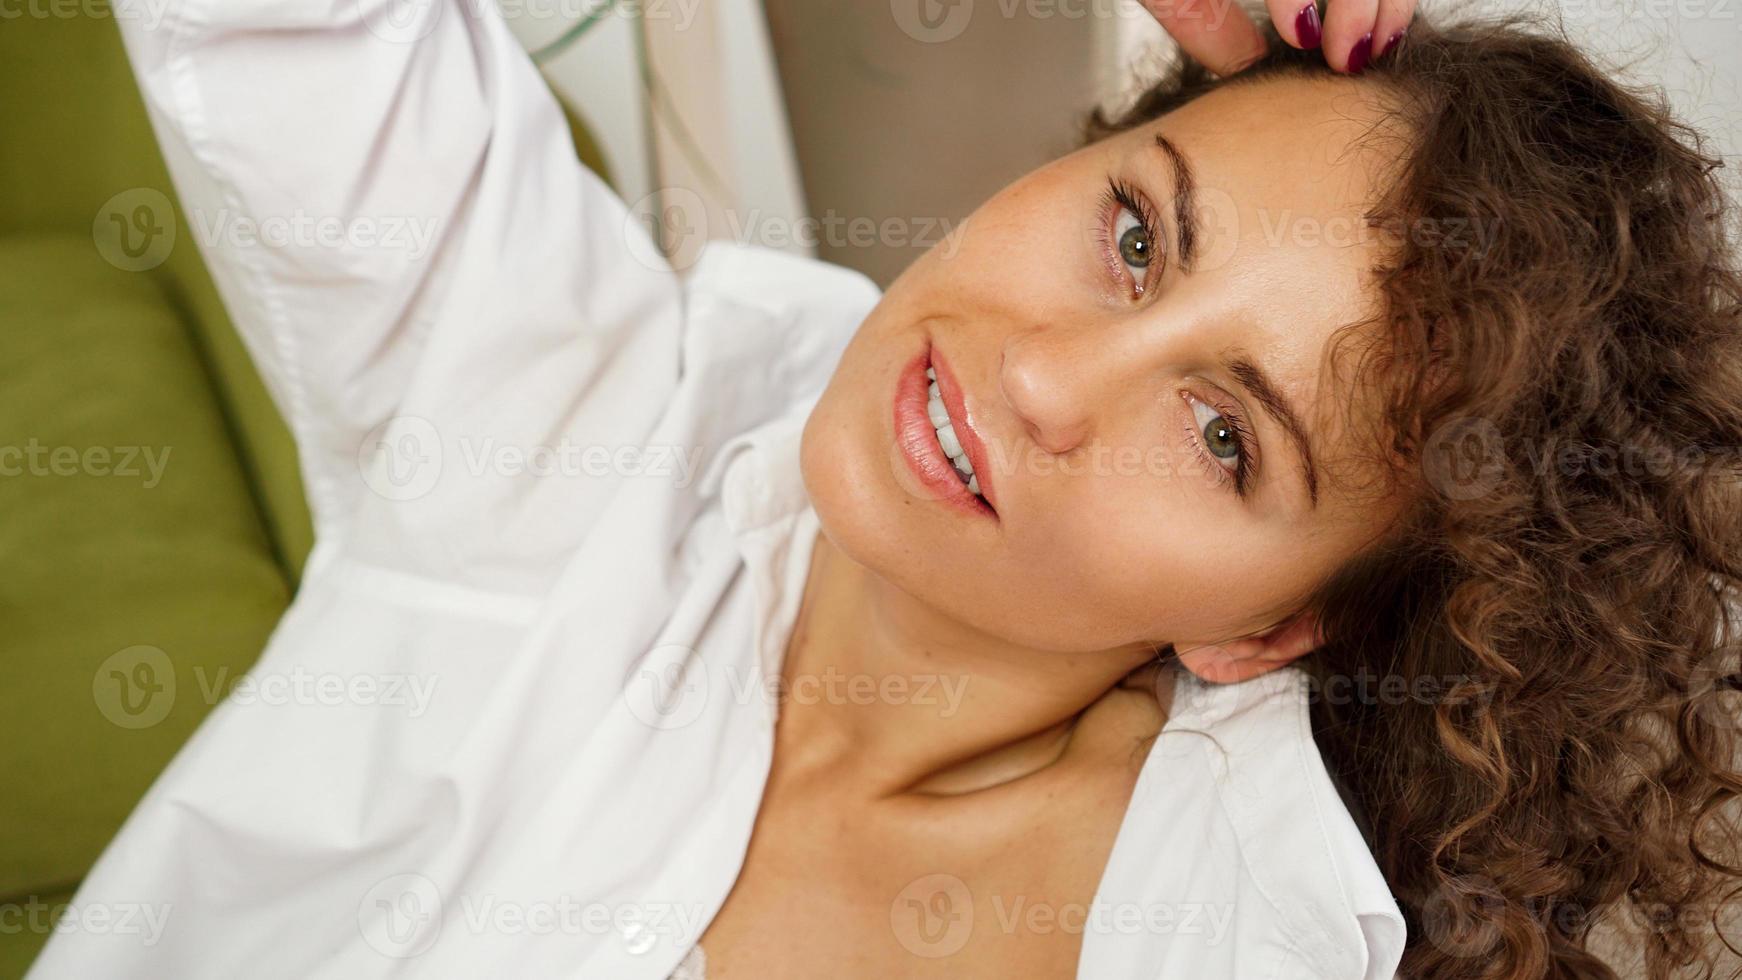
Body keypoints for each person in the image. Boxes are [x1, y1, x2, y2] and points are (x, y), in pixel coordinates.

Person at [30, 1, 1740, 978]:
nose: (1046, 376)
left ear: (1270, 623)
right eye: (1133, 234)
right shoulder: (576, 418)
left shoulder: (1217, 944)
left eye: (1225, 438)